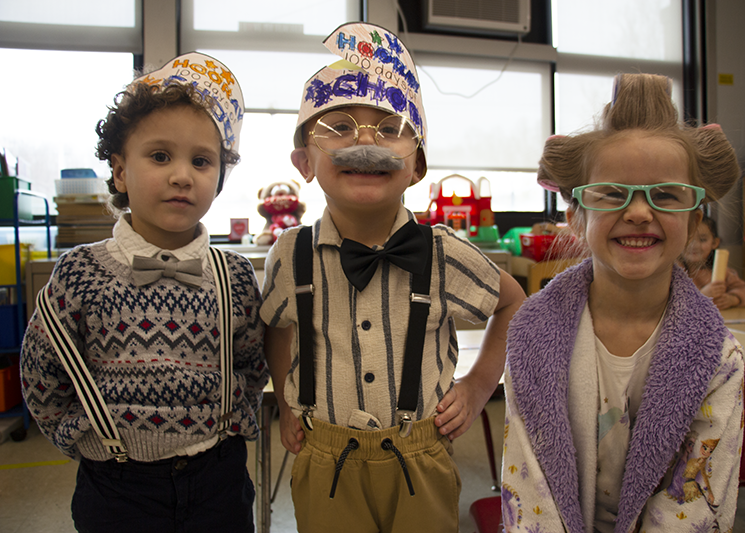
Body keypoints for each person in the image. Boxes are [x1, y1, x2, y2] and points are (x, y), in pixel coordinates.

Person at [259, 22, 525, 533]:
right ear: (304, 163)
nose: (364, 140)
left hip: (420, 457)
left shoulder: (446, 252)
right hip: (324, 458)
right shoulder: (289, 254)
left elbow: (514, 303)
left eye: (388, 127)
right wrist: (286, 401)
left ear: (417, 164)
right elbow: (278, 323)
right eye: (337, 126)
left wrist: (478, 384)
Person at [20, 52, 267, 533]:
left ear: (218, 176)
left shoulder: (234, 275)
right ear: (119, 171)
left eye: (201, 161)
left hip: (217, 477)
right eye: (160, 156)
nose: (182, 175)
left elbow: (252, 363)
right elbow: (40, 373)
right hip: (116, 486)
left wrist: (230, 417)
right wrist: (77, 434)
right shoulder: (81, 272)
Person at [502, 73, 745, 532]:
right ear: (575, 216)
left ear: (694, 223)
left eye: (666, 195)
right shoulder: (533, 335)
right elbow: (527, 487)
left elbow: (694, 501)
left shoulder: (717, 355)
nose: (638, 211)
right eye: (612, 193)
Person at [682, 213, 745, 310]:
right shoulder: (672, 273)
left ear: (714, 243)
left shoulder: (723, 272)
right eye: (688, 239)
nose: (694, 245)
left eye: (702, 240)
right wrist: (701, 296)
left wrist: (733, 299)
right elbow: (667, 306)